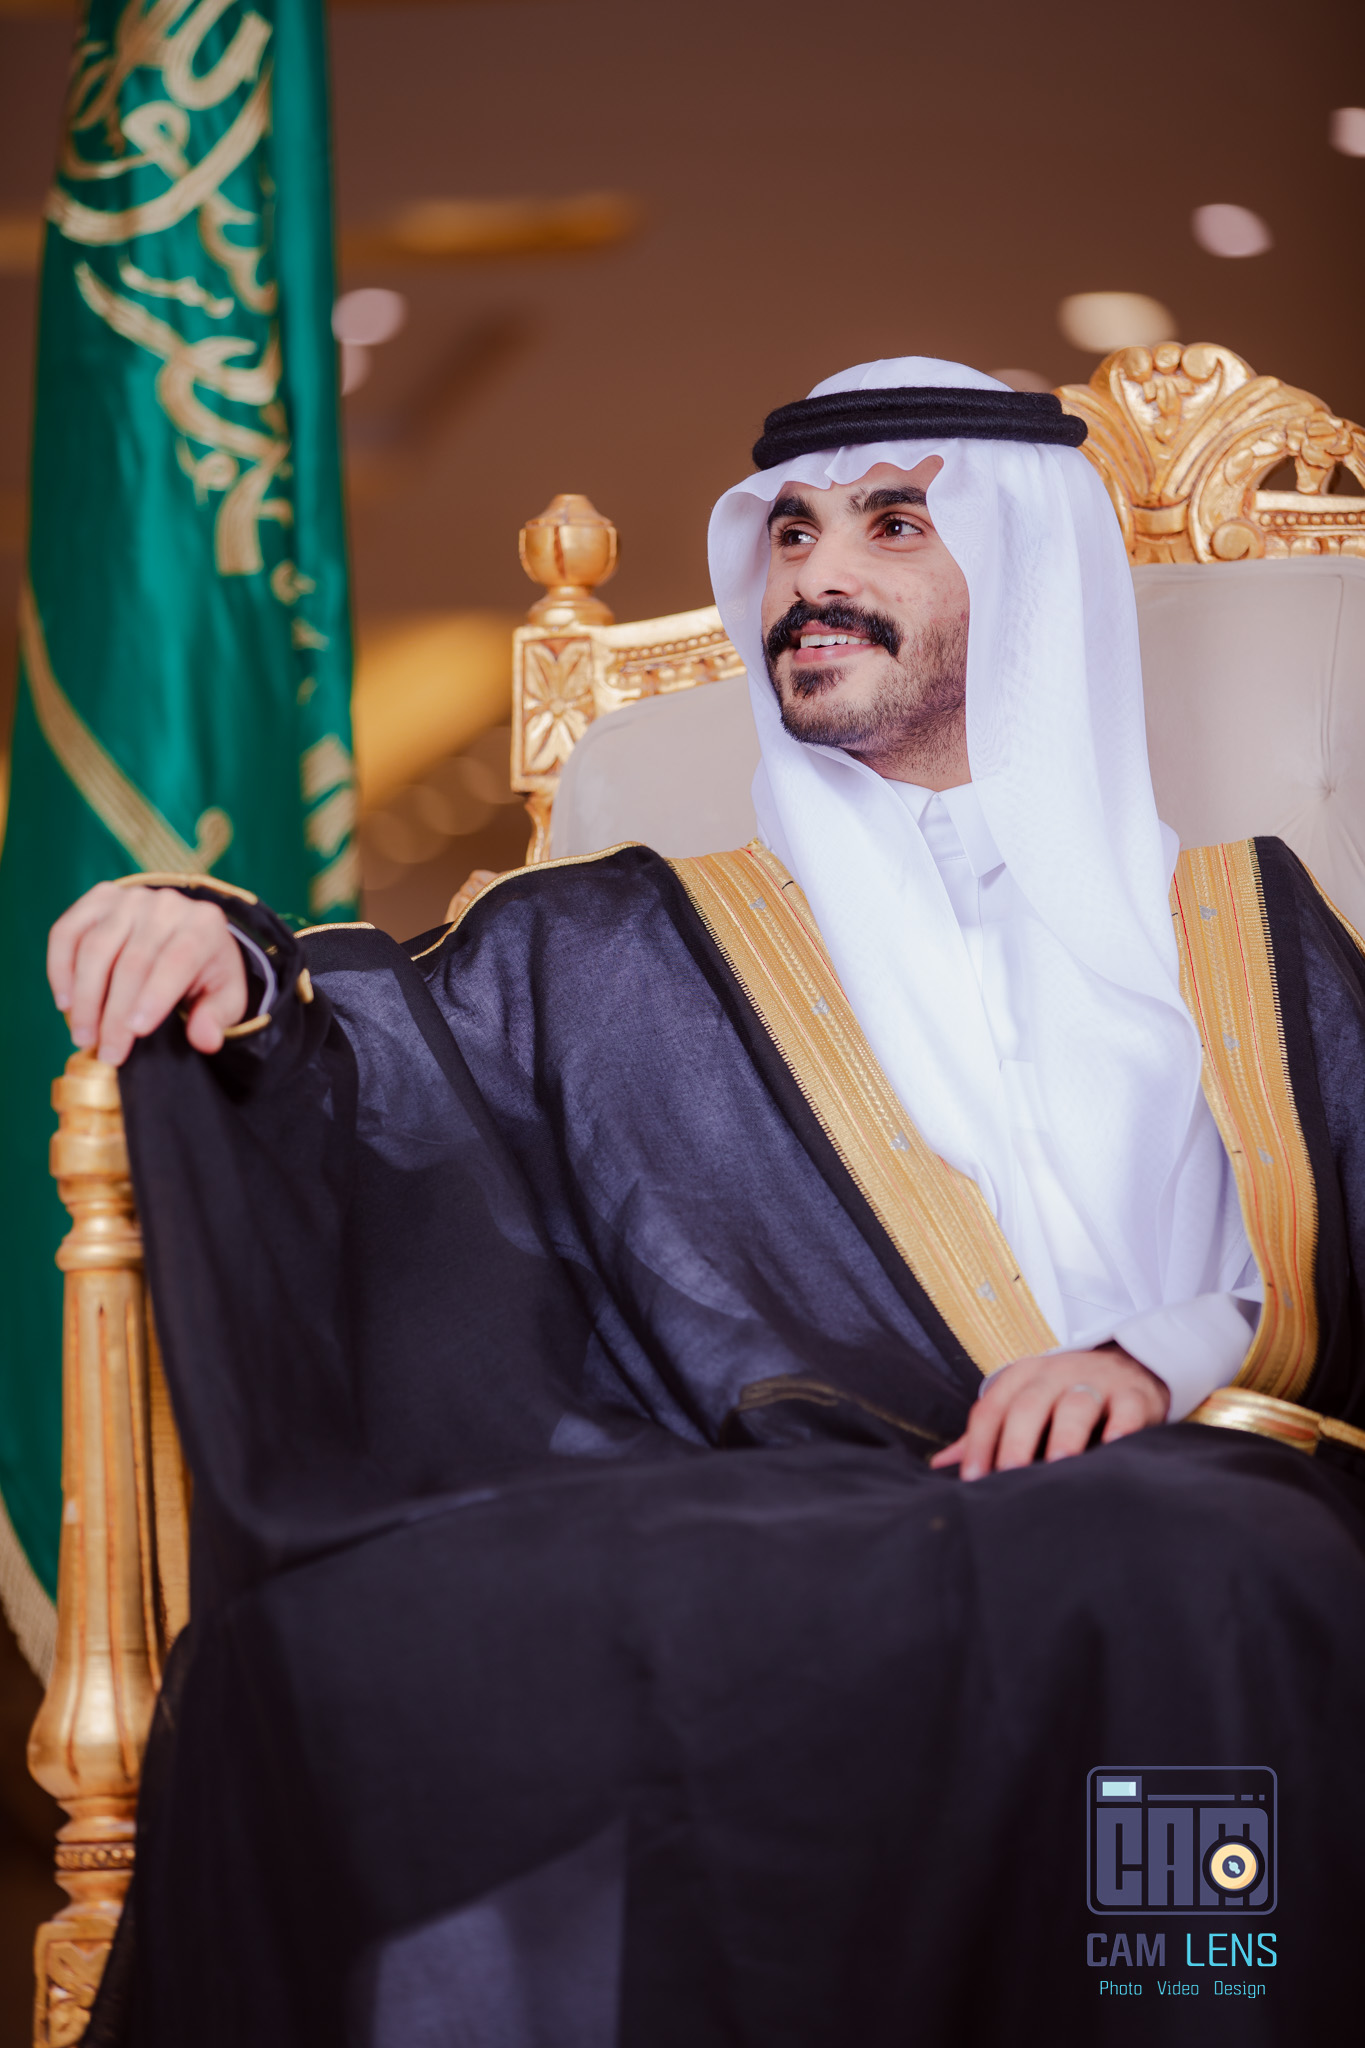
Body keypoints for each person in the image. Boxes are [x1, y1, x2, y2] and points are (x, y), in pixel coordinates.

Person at [49, 361, 1365, 2046]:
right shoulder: (619, 938)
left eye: (892, 525)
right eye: (789, 532)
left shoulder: (1244, 924)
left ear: (1029, 572)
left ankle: (1176, 2005)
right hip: (793, 1486)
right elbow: (377, 1076)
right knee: (340, 1635)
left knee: (1198, 1556)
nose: (816, 576)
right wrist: (219, 958)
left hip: (1186, 1478)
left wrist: (1157, 1358)